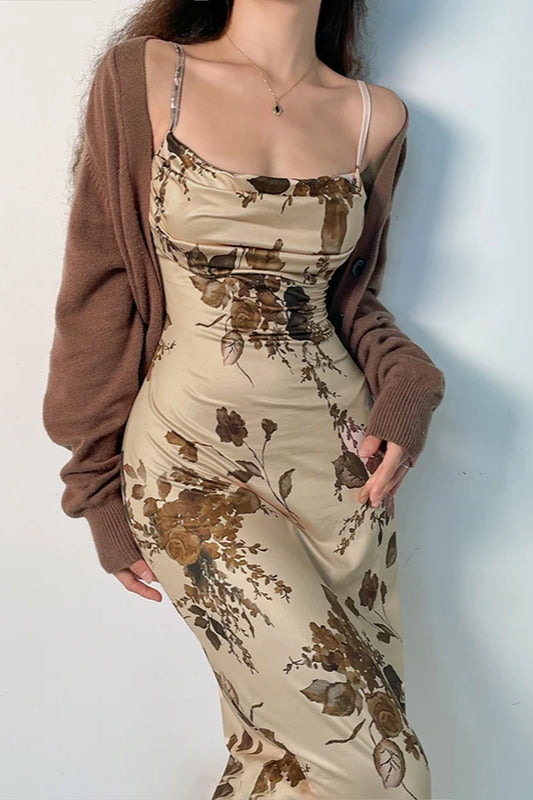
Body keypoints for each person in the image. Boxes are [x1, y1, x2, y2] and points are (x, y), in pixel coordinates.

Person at [43, 2, 446, 797]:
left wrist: (411, 383)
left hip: (343, 478)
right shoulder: (144, 77)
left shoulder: (377, 117)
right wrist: (94, 487)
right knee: (378, 770)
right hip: (189, 466)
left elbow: (349, 301)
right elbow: (97, 291)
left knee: (286, 768)